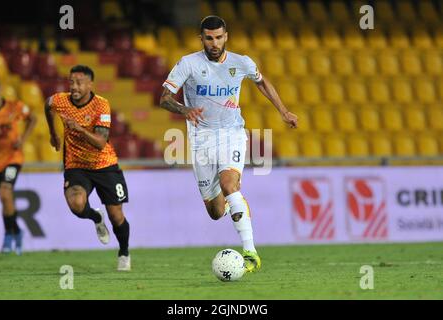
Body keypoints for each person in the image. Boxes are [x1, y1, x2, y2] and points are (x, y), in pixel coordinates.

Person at [160, 16, 298, 272]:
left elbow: (262, 82)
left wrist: (284, 111)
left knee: (228, 183)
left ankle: (250, 252)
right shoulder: (188, 64)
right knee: (215, 211)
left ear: (226, 36)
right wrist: (183, 108)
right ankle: (234, 202)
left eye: (219, 37)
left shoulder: (241, 62)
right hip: (201, 139)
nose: (215, 43)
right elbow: (164, 98)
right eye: (209, 38)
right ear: (201, 39)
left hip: (231, 133)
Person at [44, 65, 131, 271]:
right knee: (76, 204)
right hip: (76, 165)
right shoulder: (60, 100)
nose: (74, 86)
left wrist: (78, 128)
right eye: (71, 82)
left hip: (105, 165)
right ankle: (95, 217)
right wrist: (53, 133)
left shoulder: (101, 105)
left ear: (90, 84)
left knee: (116, 216)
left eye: (79, 82)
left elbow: (101, 142)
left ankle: (124, 252)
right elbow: (47, 105)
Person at [0, 77, 37, 255]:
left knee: (5, 191)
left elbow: (32, 118)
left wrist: (23, 140)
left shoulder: (14, 107)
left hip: (13, 159)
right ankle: (17, 231)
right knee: (6, 199)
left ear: (0, 90)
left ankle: (8, 236)